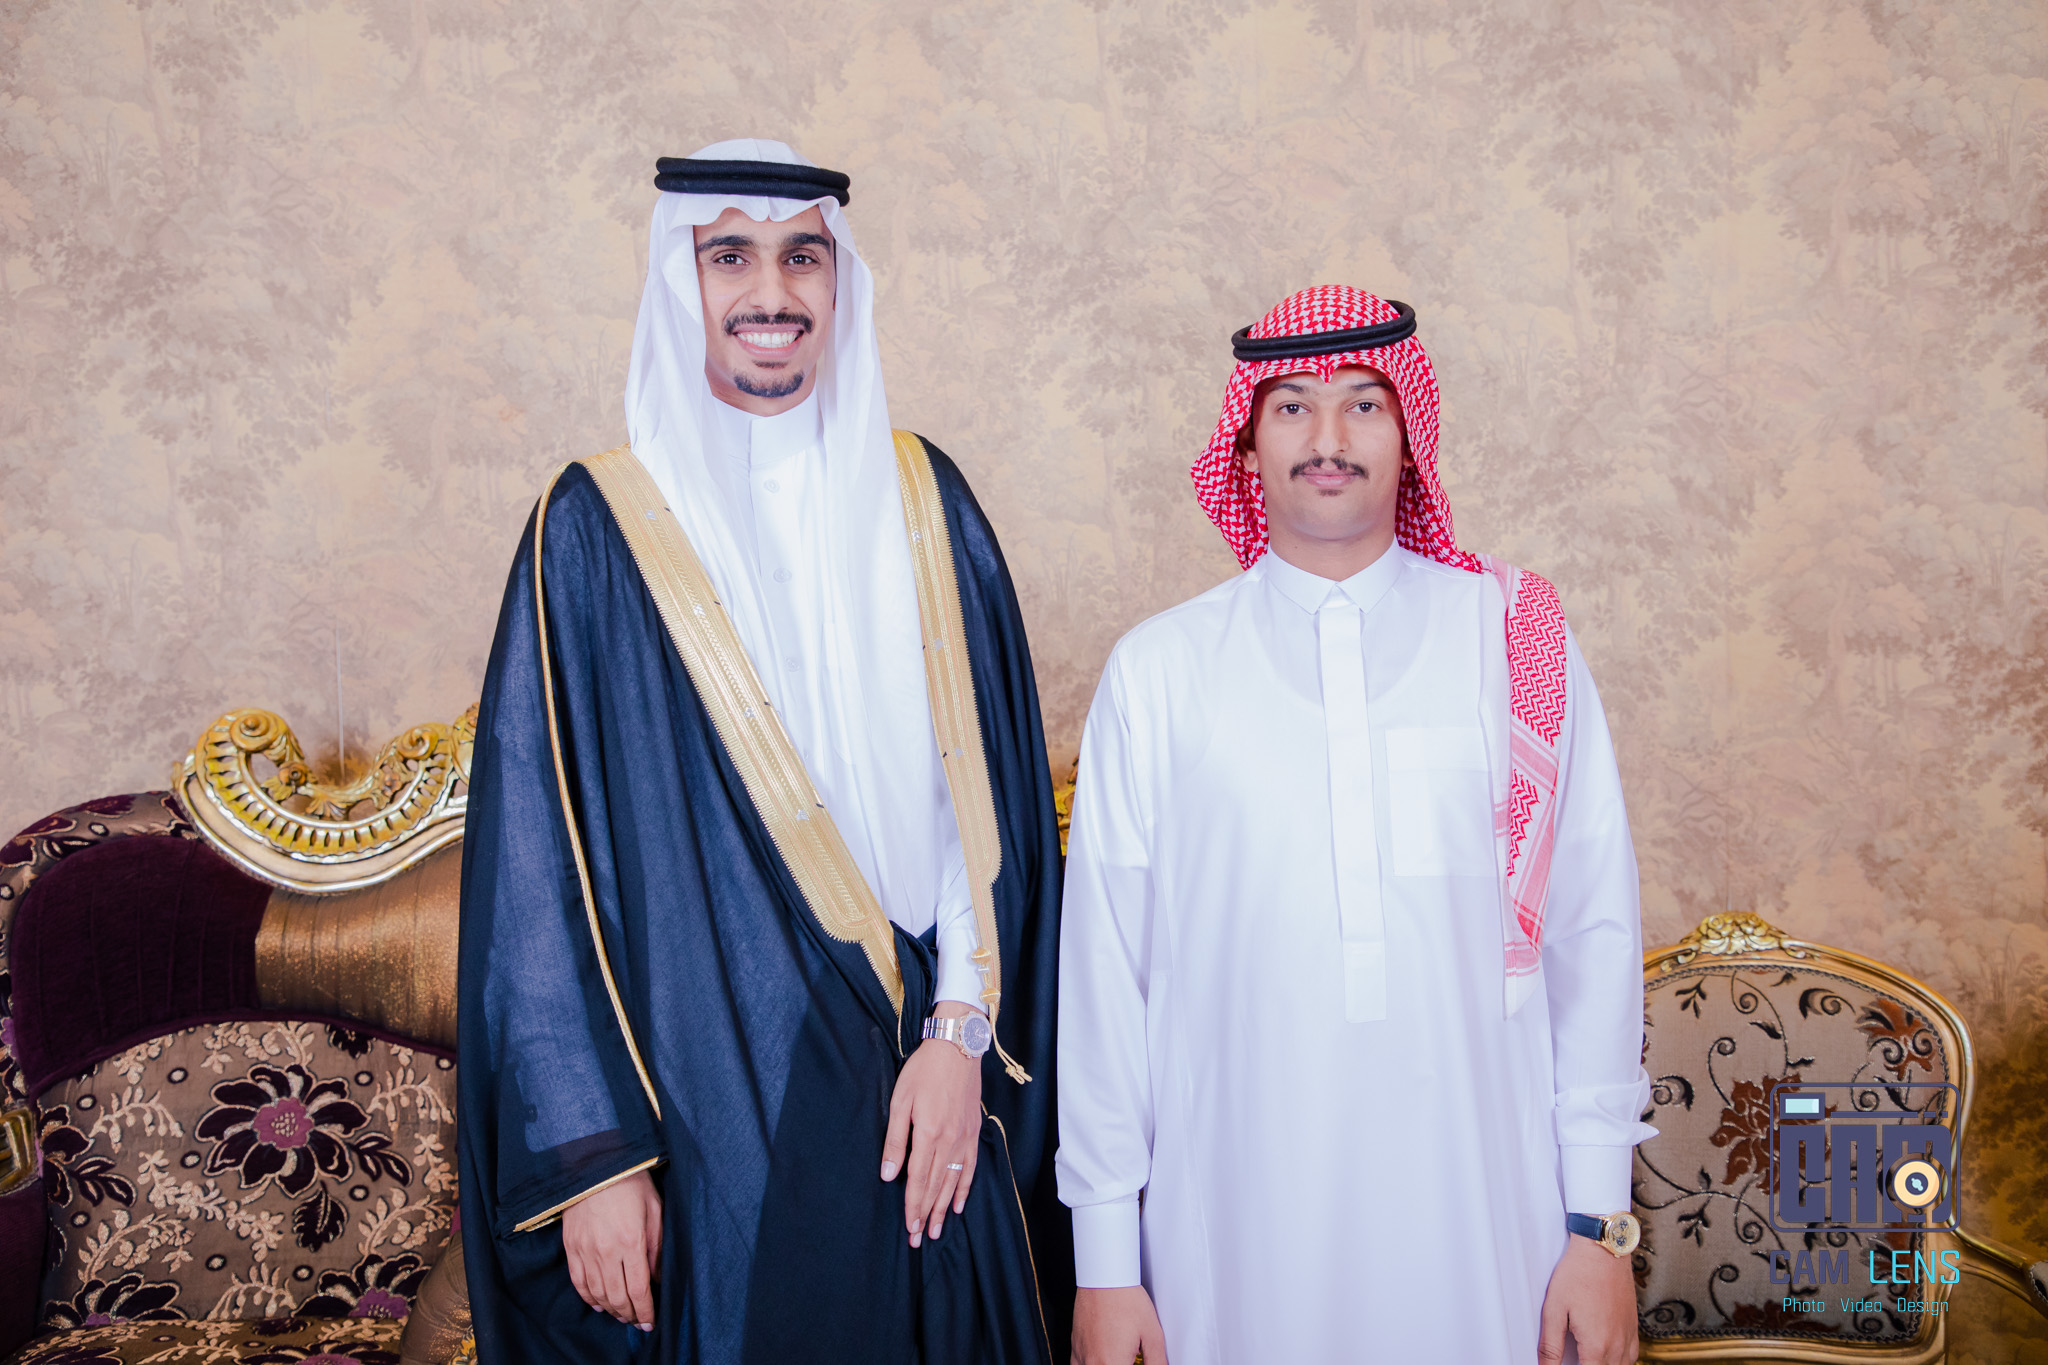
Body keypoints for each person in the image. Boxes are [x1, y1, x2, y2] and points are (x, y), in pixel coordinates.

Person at [457, 139, 1070, 1365]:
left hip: (924, 1071)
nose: (771, 293)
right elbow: (535, 870)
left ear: (840, 282)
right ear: (678, 281)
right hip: (709, 1094)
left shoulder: (924, 500)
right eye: (729, 256)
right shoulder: (593, 528)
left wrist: (959, 1037)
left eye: (803, 257)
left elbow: (980, 808)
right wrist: (596, 1162)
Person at [1056, 286, 1655, 1365]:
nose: (1326, 437)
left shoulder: (1514, 642)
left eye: (1363, 404)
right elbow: (1106, 981)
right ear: (1246, 444)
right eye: (1291, 405)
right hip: (1231, 1230)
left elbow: (1592, 938)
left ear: (1410, 435)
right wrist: (1105, 1264)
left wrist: (1598, 1229)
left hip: (1490, 1225)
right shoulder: (1158, 672)